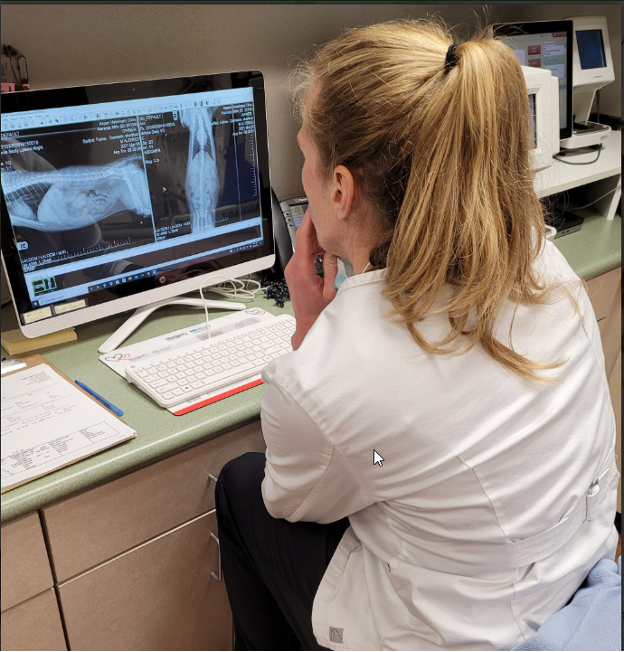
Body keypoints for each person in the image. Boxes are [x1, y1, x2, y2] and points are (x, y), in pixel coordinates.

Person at [215, 18, 619, 651]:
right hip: (572, 568)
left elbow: (293, 500)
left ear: (341, 188)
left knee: (242, 486)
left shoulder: (332, 372)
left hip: (461, 633)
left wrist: (310, 330)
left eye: (305, 159)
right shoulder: (541, 257)